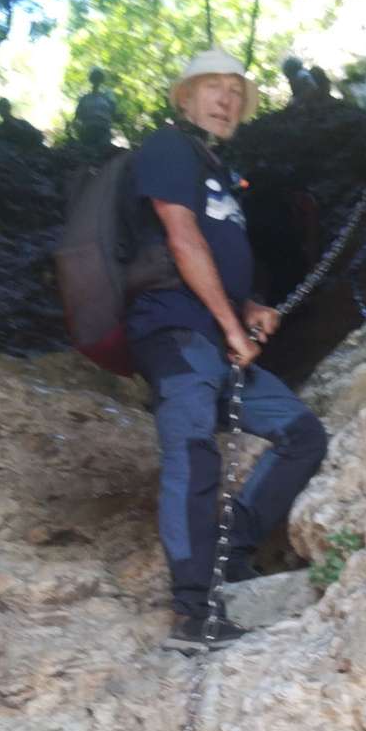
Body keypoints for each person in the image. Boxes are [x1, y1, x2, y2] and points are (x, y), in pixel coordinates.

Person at [127, 47, 327, 650]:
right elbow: (182, 240)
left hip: (217, 336)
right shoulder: (168, 149)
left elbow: (214, 257)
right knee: (193, 451)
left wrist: (248, 308)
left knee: (303, 434)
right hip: (176, 333)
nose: (227, 100)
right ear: (185, 97)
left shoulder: (217, 169)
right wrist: (232, 328)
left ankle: (232, 553)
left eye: (236, 91)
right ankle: (194, 614)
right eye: (214, 87)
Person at [71, 68, 119, 151]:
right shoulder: (85, 98)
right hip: (87, 131)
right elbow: (77, 118)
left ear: (102, 80)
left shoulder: (108, 96)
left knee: (102, 152)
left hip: (103, 130)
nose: (96, 80)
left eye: (98, 78)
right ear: (91, 80)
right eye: (95, 78)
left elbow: (114, 113)